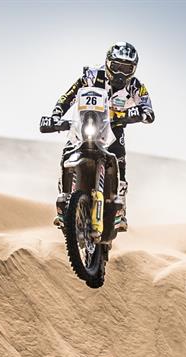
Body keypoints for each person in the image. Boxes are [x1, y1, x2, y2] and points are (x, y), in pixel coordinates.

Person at [42, 42, 154, 232]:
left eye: (126, 68)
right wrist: (55, 115)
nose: (120, 73)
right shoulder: (92, 75)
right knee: (66, 155)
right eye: (117, 66)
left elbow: (148, 109)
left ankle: (121, 209)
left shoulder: (136, 86)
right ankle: (64, 201)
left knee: (120, 160)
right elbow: (68, 95)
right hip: (85, 122)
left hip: (114, 127)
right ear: (108, 62)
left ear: (133, 69)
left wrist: (142, 114)